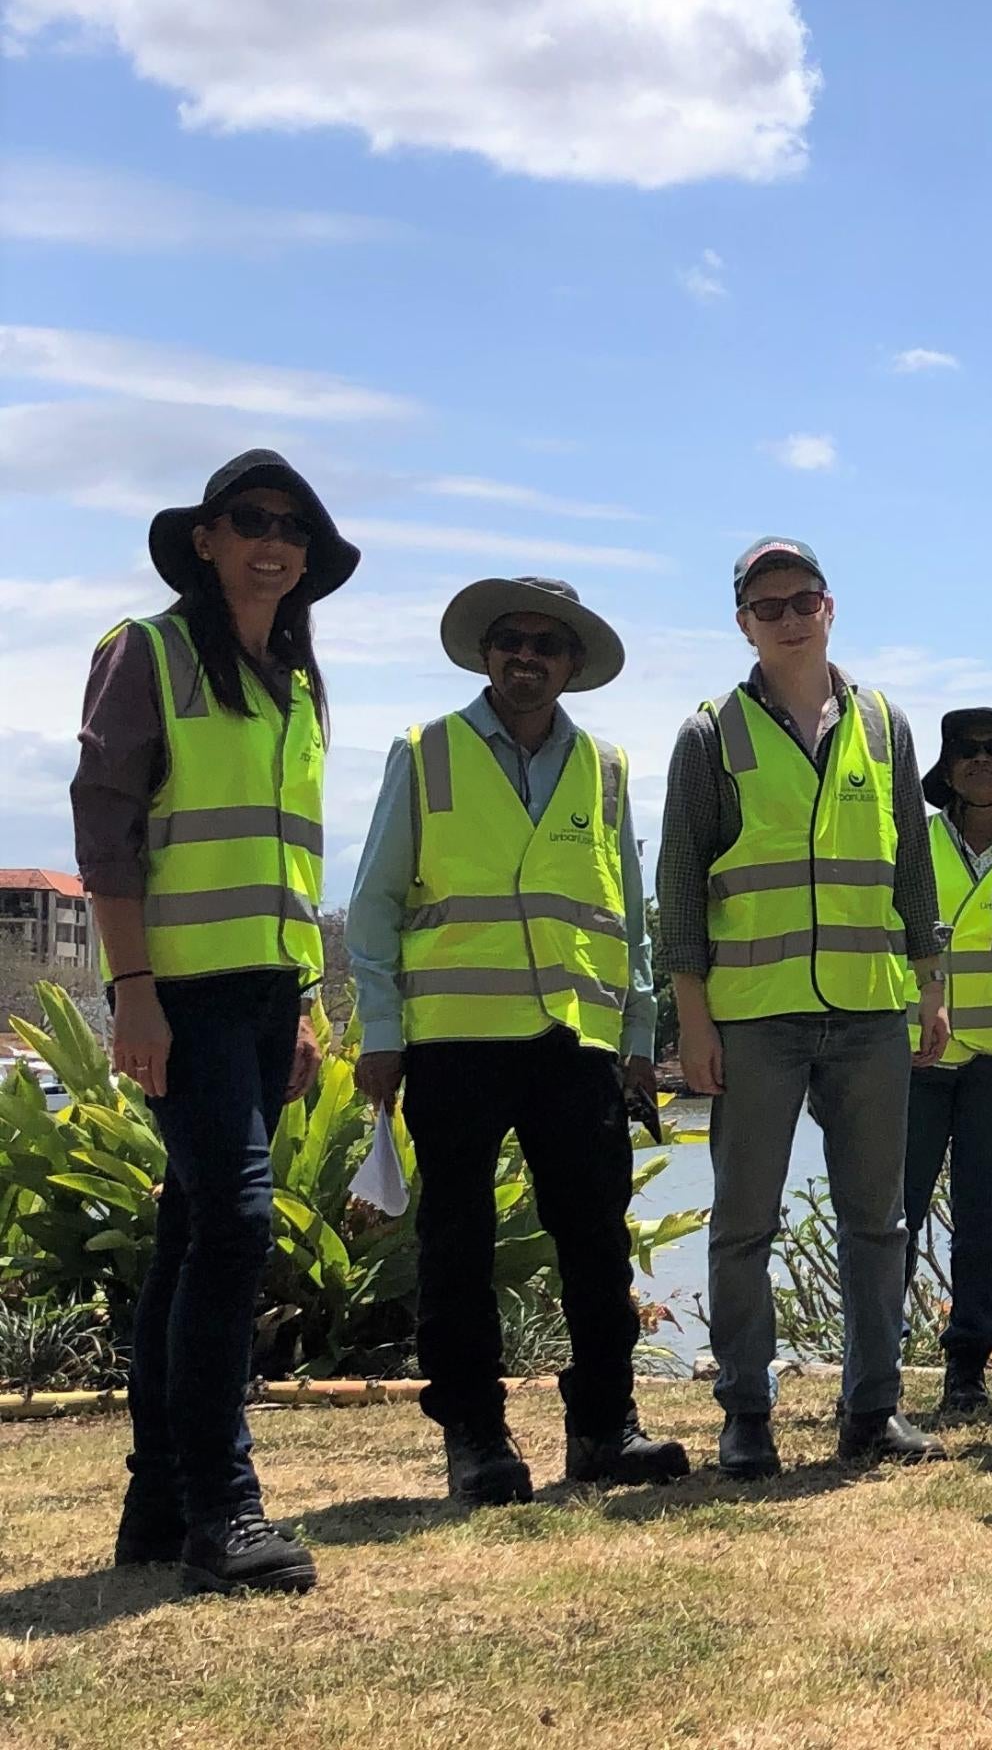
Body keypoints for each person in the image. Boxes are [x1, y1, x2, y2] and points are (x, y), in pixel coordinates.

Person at [72, 448, 355, 1594]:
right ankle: (221, 1508)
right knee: (235, 1226)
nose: (272, 540)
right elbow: (106, 832)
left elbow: (291, 861)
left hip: (265, 992)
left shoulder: (297, 680)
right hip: (179, 992)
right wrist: (132, 988)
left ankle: (157, 1506)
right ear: (206, 538)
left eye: (292, 526)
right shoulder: (146, 651)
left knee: (196, 1232)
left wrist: (304, 1002)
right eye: (250, 518)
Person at [347, 576, 688, 1506]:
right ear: (485, 653)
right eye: (511, 640)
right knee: (456, 1245)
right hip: (453, 1040)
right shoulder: (425, 753)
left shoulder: (606, 768)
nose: (526, 656)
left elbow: (629, 920)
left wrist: (639, 1036)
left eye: (546, 644)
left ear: (572, 665)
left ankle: (605, 1428)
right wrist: (381, 1030)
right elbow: (375, 905)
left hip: (576, 1042)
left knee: (596, 1241)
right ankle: (475, 1436)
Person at [655, 538, 952, 1478]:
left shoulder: (885, 724)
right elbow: (680, 886)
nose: (789, 618)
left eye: (803, 600)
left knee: (879, 1222)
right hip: (756, 1016)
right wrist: (692, 1021)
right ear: (743, 623)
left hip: (869, 1010)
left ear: (830, 608)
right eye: (768, 605)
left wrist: (931, 984)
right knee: (744, 1223)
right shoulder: (710, 734)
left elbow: (911, 864)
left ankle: (873, 1409)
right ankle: (747, 1414)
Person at [900, 706, 992, 1416]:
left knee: (987, 1222)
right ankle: (875, 1365)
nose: (983, 761)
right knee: (892, 1217)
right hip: (914, 1063)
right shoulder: (910, 845)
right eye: (968, 750)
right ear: (947, 769)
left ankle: (967, 1372)